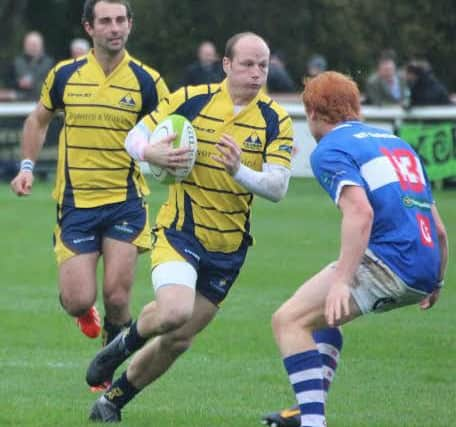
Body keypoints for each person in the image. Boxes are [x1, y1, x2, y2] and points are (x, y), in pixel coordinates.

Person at [85, 31, 294, 422]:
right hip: (180, 232)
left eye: (263, 65)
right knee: (173, 312)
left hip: (229, 248)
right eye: (247, 64)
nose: (256, 73)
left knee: (178, 340)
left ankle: (110, 402)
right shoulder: (191, 98)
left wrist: (238, 170)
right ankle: (119, 346)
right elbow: (136, 135)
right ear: (227, 65)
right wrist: (150, 151)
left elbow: (278, 187)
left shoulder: (274, 119)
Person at [10, 0, 176, 391]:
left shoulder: (148, 81)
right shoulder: (65, 75)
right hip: (75, 204)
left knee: (118, 297)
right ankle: (84, 312)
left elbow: (169, 129)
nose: (114, 28)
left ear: (130, 25)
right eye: (105, 21)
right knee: (76, 299)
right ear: (90, 28)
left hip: (125, 202)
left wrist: (167, 157)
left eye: (121, 20)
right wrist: (27, 167)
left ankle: (106, 366)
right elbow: (37, 119)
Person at [269, 71, 448, 427]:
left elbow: (360, 212)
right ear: (355, 106)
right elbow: (439, 228)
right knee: (323, 316)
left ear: (313, 113)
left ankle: (312, 422)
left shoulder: (330, 150)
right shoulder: (398, 144)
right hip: (425, 267)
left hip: (391, 261)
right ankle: (304, 412)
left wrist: (342, 280)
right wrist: (437, 280)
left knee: (288, 320)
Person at [9, 31, 54, 101]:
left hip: (43, 103)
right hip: (20, 103)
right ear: (25, 45)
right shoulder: (16, 62)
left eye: (35, 44)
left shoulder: (51, 63)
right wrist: (19, 83)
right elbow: (8, 82)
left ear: (41, 45)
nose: (33, 47)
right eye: (30, 44)